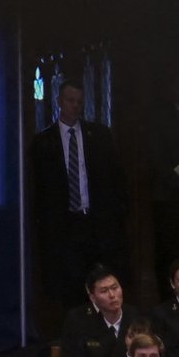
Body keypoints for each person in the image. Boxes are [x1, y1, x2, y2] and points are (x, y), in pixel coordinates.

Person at [26, 75, 120, 320]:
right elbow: (39, 189)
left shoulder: (99, 136)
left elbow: (112, 179)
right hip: (63, 224)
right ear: (60, 101)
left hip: (94, 222)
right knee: (68, 283)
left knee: (100, 278)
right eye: (70, 101)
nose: (75, 106)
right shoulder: (43, 142)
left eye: (79, 101)